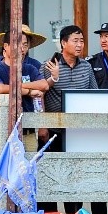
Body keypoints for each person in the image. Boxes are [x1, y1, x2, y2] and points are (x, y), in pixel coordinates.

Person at [40, 25, 97, 154]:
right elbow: (39, 95)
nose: (79, 45)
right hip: (54, 128)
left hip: (80, 128)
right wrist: (41, 125)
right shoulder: (49, 65)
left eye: (82, 41)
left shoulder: (86, 66)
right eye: (75, 40)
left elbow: (94, 95)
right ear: (63, 43)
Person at [0, 26, 50, 114]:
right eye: (17, 44)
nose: (22, 49)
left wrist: (18, 85)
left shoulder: (30, 68)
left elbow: (44, 85)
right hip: (2, 123)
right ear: (6, 46)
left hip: (27, 122)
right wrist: (29, 91)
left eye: (25, 45)